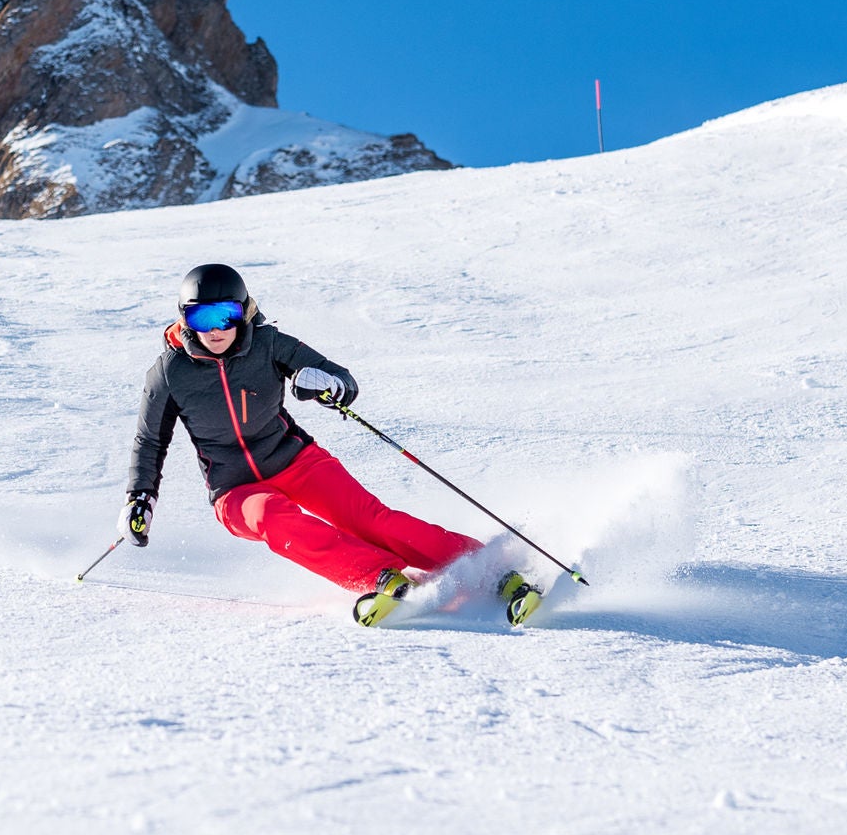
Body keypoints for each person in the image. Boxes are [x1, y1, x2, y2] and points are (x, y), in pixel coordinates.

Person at [123, 263, 542, 626]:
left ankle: (493, 572)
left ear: (244, 311)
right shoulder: (168, 373)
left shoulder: (268, 343)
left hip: (295, 460)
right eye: (202, 318)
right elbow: (150, 440)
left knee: (373, 521)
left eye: (226, 315)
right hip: (234, 489)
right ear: (184, 320)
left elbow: (341, 379)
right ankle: (381, 579)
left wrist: (328, 385)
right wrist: (140, 497)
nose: (216, 330)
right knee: (275, 517)